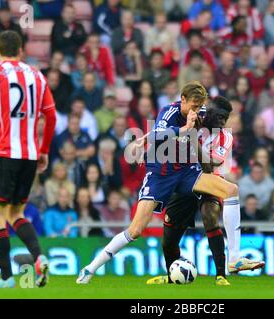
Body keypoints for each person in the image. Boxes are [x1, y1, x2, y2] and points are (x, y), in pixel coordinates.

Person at [76, 82, 245, 284]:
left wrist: (143, 139)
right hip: (160, 174)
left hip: (186, 171)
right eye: (192, 105)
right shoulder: (169, 111)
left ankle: (234, 258)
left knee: (231, 189)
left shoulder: (199, 111)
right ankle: (90, 268)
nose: (196, 110)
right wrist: (180, 131)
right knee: (135, 230)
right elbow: (158, 134)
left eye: (199, 106)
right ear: (182, 100)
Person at [0, 31, 56, 288]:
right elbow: (51, 117)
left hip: (3, 153)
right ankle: (39, 257)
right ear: (21, 51)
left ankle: (6, 277)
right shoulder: (37, 76)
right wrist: (44, 150)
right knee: (16, 212)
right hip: (29, 155)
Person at [146, 96, 265, 286]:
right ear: (208, 111)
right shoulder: (192, 121)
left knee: (210, 216)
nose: (221, 122)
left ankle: (221, 275)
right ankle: (171, 277)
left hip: (210, 181)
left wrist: (193, 140)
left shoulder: (225, 136)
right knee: (169, 240)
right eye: (218, 116)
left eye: (225, 119)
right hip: (184, 180)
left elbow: (210, 166)